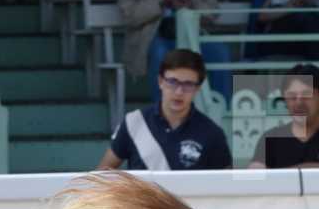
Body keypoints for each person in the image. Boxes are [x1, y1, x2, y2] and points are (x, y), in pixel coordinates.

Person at [118, 0, 233, 102]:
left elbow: (214, 11)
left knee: (220, 52)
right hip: (154, 35)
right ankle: (162, 113)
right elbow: (127, 14)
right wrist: (160, 3)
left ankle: (223, 110)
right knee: (160, 55)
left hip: (190, 34)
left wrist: (191, 6)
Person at [95, 49, 232, 171]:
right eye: (172, 82)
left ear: (197, 88)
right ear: (160, 81)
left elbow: (227, 188)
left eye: (188, 84)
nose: (179, 92)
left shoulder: (212, 133)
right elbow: (102, 173)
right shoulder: (134, 122)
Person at [248, 64, 319, 168]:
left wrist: (280, 174)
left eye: (306, 95)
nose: (298, 103)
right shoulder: (270, 139)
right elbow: (254, 177)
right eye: (292, 96)